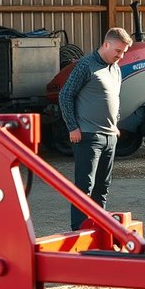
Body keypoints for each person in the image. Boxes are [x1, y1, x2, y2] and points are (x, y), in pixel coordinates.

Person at [59, 27, 133, 230]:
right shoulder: (85, 65)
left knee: (103, 187)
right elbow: (65, 95)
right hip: (88, 136)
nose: (121, 56)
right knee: (85, 187)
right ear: (106, 44)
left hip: (110, 136)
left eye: (124, 52)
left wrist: (115, 124)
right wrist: (72, 127)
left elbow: (114, 99)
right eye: (118, 51)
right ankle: (79, 230)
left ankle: (98, 227)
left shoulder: (116, 69)